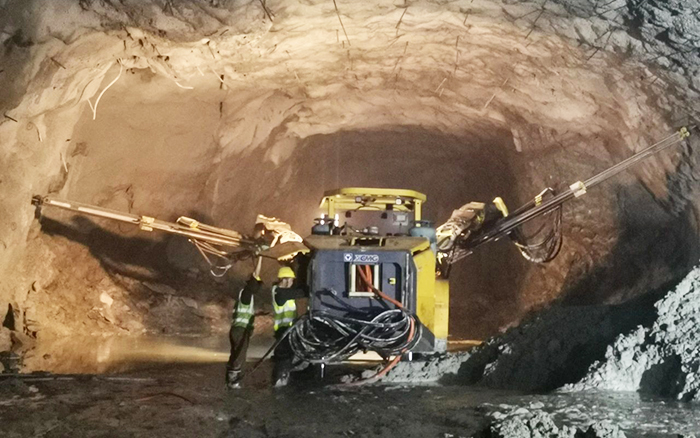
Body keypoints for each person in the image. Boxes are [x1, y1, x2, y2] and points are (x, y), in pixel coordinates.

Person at [225, 266, 303, 389]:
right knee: (239, 355)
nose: (258, 288)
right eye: (291, 280)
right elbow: (299, 293)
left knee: (237, 354)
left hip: (241, 329)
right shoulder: (247, 294)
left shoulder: (246, 294)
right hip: (242, 329)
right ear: (285, 279)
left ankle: (233, 378)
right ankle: (234, 380)